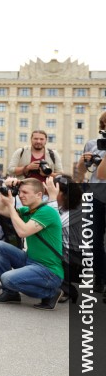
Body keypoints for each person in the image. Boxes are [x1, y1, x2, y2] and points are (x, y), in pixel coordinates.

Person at [0, 178, 64, 309]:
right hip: (31, 261)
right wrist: (6, 188)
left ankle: (50, 293)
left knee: (7, 279)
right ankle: (10, 293)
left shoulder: (47, 212)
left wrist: (11, 205)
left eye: (25, 192)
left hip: (49, 271)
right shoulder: (27, 211)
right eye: (20, 192)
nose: (21, 195)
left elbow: (23, 232)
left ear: (39, 195)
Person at [74, 112, 106, 294]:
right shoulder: (93, 144)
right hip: (96, 197)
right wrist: (82, 162)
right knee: (94, 240)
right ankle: (100, 276)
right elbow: (80, 175)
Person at [45, 175, 82, 304]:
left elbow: (54, 224)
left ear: (66, 194)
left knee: (46, 251)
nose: (52, 192)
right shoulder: (60, 204)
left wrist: (51, 198)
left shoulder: (79, 208)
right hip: (64, 251)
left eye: (56, 190)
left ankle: (66, 288)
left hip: (76, 258)